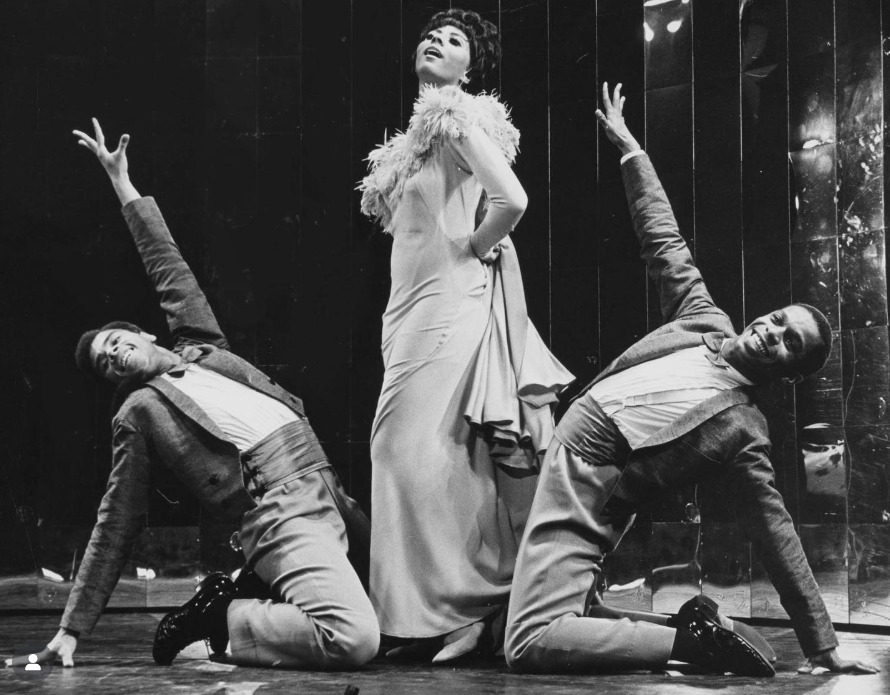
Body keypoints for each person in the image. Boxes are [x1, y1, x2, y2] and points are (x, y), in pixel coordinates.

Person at [504, 84, 880, 676]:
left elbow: (775, 532)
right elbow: (664, 239)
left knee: (528, 642)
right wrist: (631, 149)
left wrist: (822, 643)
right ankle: (695, 625)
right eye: (778, 320)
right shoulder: (703, 318)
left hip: (586, 479)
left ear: (784, 371)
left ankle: (687, 644)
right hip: (556, 446)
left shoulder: (743, 430)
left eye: (787, 344)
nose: (771, 333)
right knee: (526, 599)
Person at [21, 119, 380, 671]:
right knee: (353, 639)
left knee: (411, 618)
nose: (114, 354)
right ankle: (225, 619)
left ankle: (249, 589)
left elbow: (168, 265)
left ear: (143, 333)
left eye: (116, 341)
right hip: (278, 508)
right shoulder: (141, 410)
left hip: (328, 488)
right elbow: (115, 519)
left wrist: (122, 184)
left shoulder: (201, 348)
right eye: (105, 362)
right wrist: (72, 629)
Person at [359, 9, 573, 662]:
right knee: (426, 455)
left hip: (450, 302)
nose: (436, 41)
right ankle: (428, 614)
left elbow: (513, 198)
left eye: (453, 41)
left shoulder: (454, 120)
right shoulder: (414, 141)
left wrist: (473, 250)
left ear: (468, 69)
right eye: (430, 34)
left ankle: (462, 607)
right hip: (409, 310)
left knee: (409, 451)